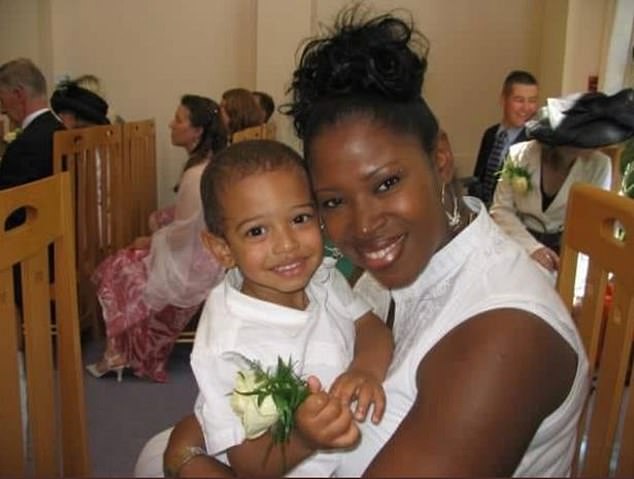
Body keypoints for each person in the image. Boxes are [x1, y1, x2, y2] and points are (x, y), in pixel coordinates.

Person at [144, 8, 593, 477]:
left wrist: (188, 458)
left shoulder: (505, 337)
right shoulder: (398, 269)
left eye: (386, 184)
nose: (363, 226)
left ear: (440, 158)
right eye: (332, 202)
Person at [165, 139, 392, 477]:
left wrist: (365, 370)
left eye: (300, 218)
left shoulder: (322, 277)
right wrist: (302, 437)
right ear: (222, 249)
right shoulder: (229, 344)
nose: (287, 245)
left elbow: (370, 327)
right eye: (257, 231)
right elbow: (248, 464)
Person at [87, 95, 227, 383]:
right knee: (135, 249)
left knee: (118, 265)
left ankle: (125, 352)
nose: (170, 124)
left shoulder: (196, 173)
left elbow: (182, 234)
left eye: (178, 119)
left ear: (197, 130)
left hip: (197, 262)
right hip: (205, 253)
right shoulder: (207, 164)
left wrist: (151, 241)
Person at [489, 90, 634, 274]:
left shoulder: (600, 165)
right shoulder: (519, 155)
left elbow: (592, 226)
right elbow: (501, 210)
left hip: (565, 255)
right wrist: (533, 248)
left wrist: (574, 273)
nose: (601, 144)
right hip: (517, 246)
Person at [471, 70, 539, 206]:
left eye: (532, 101)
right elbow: (478, 179)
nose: (526, 108)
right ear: (503, 100)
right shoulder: (490, 134)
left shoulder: (535, 142)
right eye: (519, 100)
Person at [0, 58, 64, 198]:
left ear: (18, 94)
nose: (2, 110)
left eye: (1, 100)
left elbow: (8, 208)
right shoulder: (63, 132)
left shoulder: (23, 147)